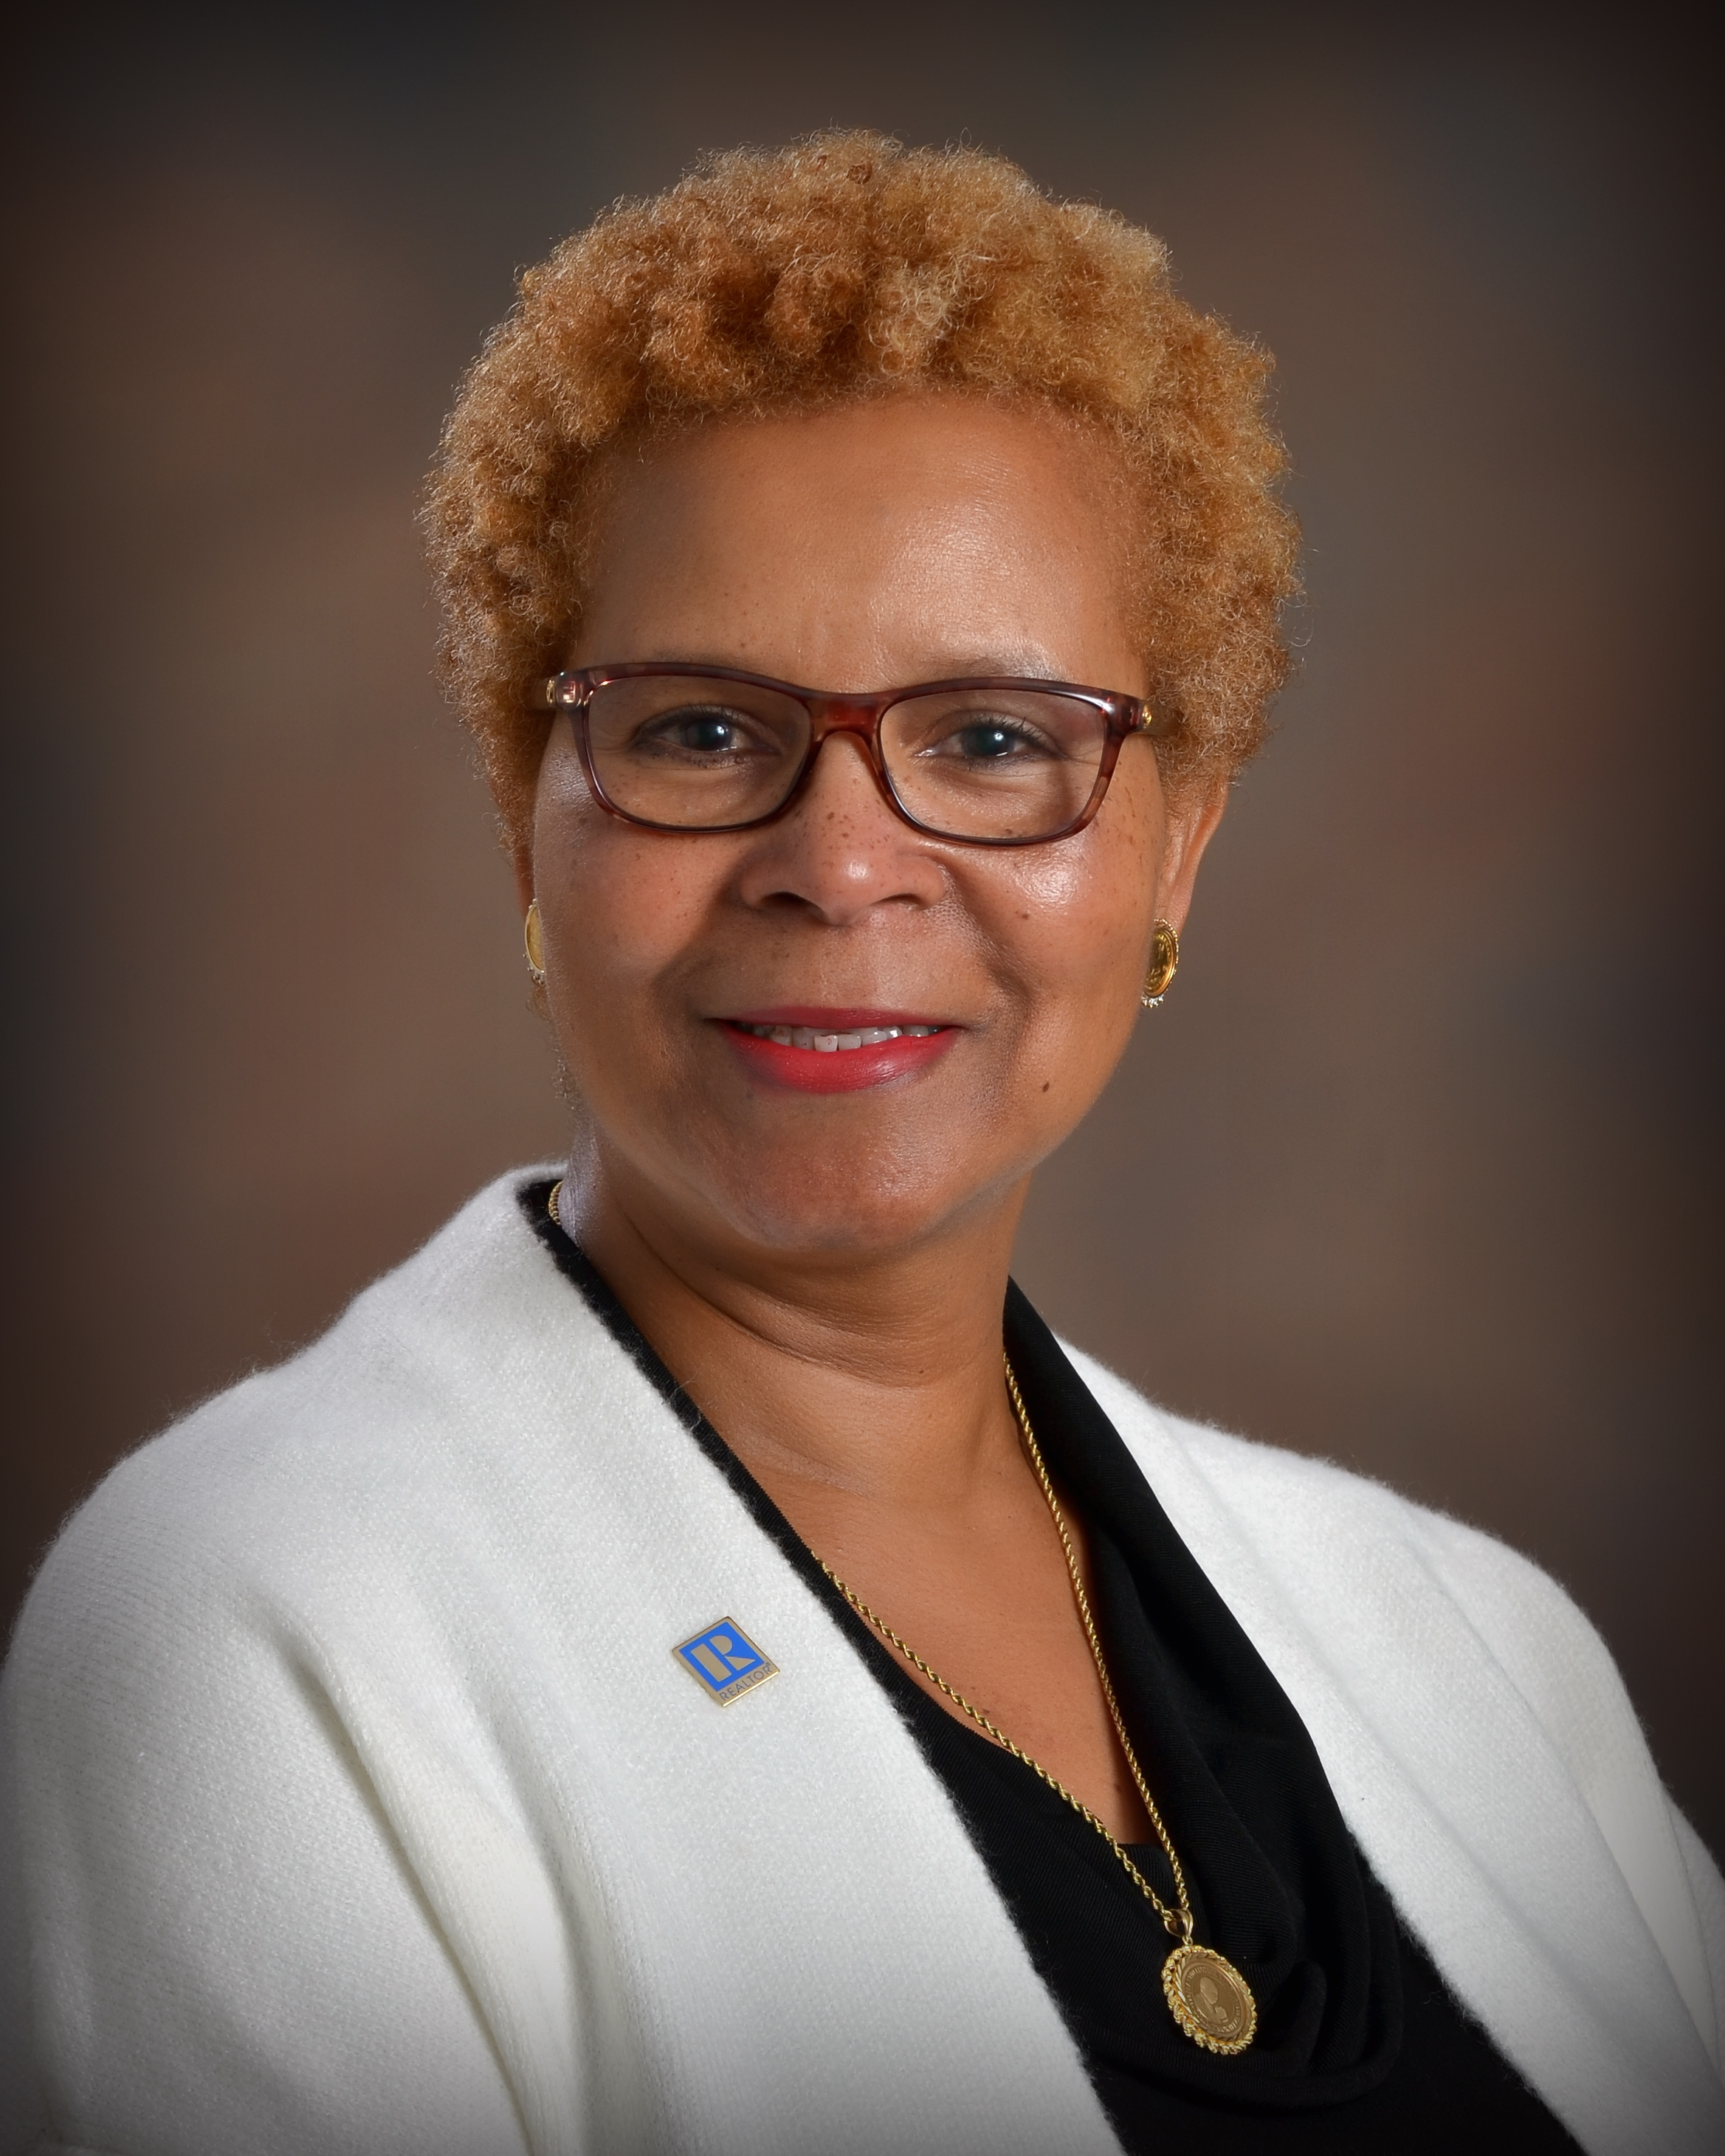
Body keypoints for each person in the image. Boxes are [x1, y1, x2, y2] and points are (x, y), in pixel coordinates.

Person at [2, 133, 1720, 2156]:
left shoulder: (1480, 1647)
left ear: (1175, 852)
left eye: (992, 740)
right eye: (700, 731)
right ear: (526, 826)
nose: (838, 865)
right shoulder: (251, 1631)